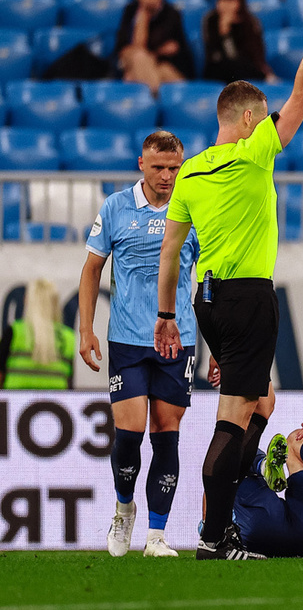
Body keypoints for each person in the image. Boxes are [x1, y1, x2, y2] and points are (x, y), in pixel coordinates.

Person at [155, 0, 303, 561]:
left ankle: (229, 508)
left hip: (207, 301)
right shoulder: (256, 150)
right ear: (252, 118)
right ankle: (214, 537)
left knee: (263, 404)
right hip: (249, 299)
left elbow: (170, 251)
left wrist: (166, 315)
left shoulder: (190, 172)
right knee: (233, 418)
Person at [78, 131, 199, 558]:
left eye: (174, 168)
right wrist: (86, 329)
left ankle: (156, 535)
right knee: (128, 435)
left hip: (178, 340)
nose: (167, 176)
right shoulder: (115, 207)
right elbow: (92, 270)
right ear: (141, 165)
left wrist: (219, 346)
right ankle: (124, 507)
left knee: (167, 435)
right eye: (159, 167)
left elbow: (209, 278)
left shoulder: (193, 208)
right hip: (128, 339)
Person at [228, 415, 303, 558]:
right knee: (295, 438)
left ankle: (263, 466)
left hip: (259, 531)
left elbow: (212, 515)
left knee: (233, 447)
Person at [115, 0, 194, 96]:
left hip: (163, 65)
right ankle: (156, 99)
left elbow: (175, 48)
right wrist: (143, 15)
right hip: (135, 60)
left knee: (149, 73)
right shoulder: (130, 11)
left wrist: (152, 55)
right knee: (139, 57)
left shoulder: (171, 14)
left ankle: (152, 100)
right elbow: (131, 46)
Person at [0, 279, 74, 390]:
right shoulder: (69, 337)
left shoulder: (14, 331)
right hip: (56, 398)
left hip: (16, 398)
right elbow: (70, 381)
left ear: (27, 300)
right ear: (55, 303)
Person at [203, 0, 276, 84]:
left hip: (245, 67)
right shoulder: (211, 20)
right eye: (223, 0)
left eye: (231, 1)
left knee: (246, 66)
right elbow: (224, 54)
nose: (226, 5)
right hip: (219, 67)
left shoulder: (250, 22)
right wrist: (225, 34)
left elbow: (256, 52)